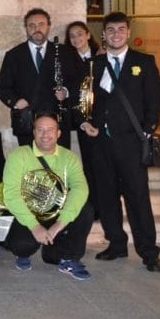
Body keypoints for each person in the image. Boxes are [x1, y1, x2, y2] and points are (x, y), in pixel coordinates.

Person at [80, 11, 160, 272]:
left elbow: (154, 100)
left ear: (128, 33)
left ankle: (149, 253)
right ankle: (116, 244)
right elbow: (85, 101)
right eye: (110, 30)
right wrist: (85, 122)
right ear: (103, 35)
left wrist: (148, 130)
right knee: (106, 197)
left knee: (138, 197)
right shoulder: (96, 64)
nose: (116, 34)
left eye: (120, 29)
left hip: (130, 144)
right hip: (101, 144)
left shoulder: (145, 62)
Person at [2, 114, 93, 279]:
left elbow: (80, 188)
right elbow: (11, 194)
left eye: (50, 130)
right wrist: (34, 225)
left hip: (55, 212)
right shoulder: (18, 155)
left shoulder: (70, 157)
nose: (45, 135)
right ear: (34, 133)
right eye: (40, 130)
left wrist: (60, 224)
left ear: (58, 133)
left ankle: (67, 257)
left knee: (86, 209)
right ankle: (22, 253)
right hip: (28, 212)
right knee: (22, 246)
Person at [0, 8, 77, 148]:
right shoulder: (14, 55)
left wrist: (66, 91)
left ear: (48, 27)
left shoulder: (65, 53)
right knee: (31, 165)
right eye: (31, 25)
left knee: (58, 165)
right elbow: (2, 88)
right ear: (26, 29)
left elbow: (76, 81)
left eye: (41, 24)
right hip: (27, 122)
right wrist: (16, 101)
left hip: (58, 122)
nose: (36, 29)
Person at [65, 21, 102, 218]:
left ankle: (107, 205)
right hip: (82, 120)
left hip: (104, 119)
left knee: (106, 165)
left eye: (80, 34)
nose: (77, 39)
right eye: (72, 36)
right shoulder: (68, 62)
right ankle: (94, 208)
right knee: (89, 165)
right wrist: (82, 121)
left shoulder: (102, 57)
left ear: (88, 35)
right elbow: (69, 94)